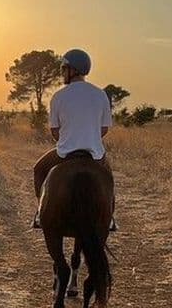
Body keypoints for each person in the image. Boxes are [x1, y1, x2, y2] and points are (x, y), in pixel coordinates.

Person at [32, 49, 117, 231]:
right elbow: (104, 128)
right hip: (94, 154)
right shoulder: (100, 94)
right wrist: (90, 138)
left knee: (38, 170)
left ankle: (40, 212)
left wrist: (68, 139)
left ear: (72, 70)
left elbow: (55, 130)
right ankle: (109, 217)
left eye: (64, 69)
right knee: (108, 178)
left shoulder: (59, 96)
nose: (62, 73)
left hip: (64, 153)